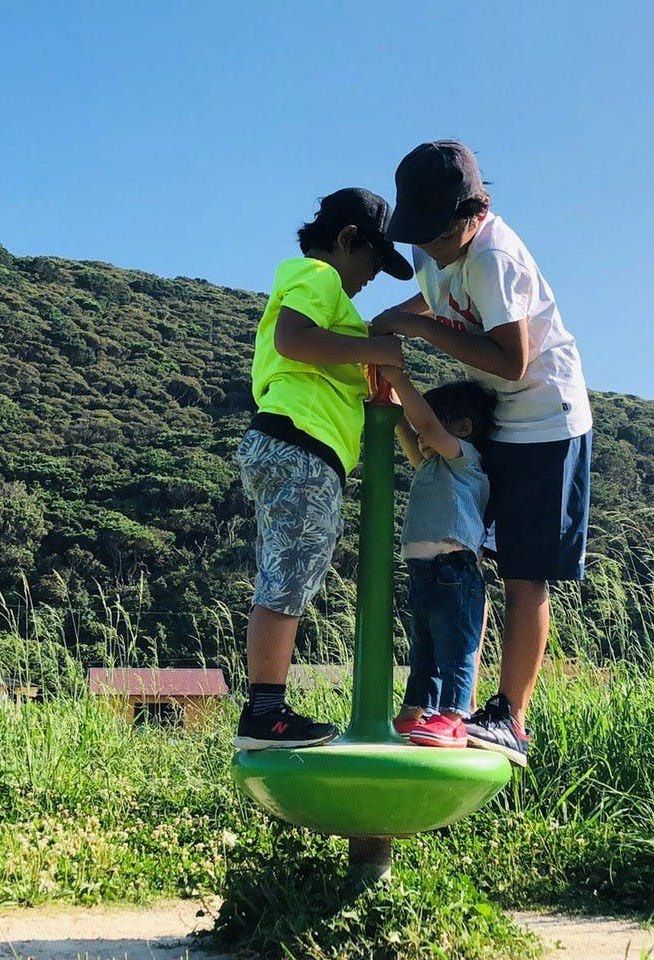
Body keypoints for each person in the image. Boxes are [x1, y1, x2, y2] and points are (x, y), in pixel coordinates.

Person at [372, 141, 592, 767]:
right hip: (495, 417)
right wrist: (392, 318)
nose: (430, 249)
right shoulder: (429, 243)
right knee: (466, 563)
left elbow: (512, 361)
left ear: (476, 211)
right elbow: (437, 293)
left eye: (440, 235)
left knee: (525, 573)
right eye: (419, 233)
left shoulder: (495, 258)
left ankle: (510, 719)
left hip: (546, 421)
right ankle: (453, 707)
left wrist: (417, 328)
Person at [232, 187, 413, 750]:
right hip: (300, 443)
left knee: (289, 571)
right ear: (346, 239)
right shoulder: (318, 275)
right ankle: (264, 713)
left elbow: (342, 350)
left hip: (293, 444)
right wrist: (372, 352)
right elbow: (294, 340)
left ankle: (266, 709)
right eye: (373, 259)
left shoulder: (333, 300)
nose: (373, 275)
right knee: (287, 576)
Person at [376, 368, 496, 748]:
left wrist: (398, 377)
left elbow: (425, 427)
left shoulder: (466, 460)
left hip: (455, 570)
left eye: (432, 422)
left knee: (456, 648)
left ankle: (455, 717)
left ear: (462, 428)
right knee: (424, 648)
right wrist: (393, 405)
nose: (422, 434)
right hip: (424, 571)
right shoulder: (431, 463)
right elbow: (412, 434)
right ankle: (416, 711)